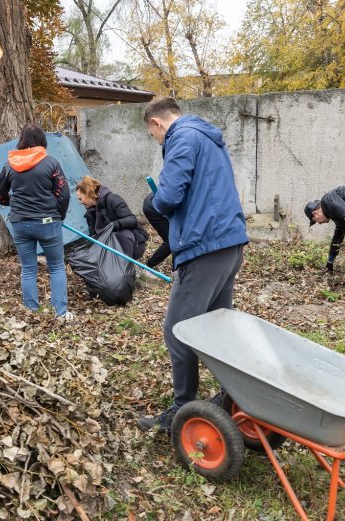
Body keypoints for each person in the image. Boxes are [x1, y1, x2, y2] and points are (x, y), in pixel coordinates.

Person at [136, 97, 249, 434]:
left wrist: (151, 203)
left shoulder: (181, 137)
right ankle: (235, 397)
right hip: (227, 243)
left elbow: (169, 196)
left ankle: (181, 408)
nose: (157, 141)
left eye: (153, 135)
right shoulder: (207, 137)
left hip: (203, 246)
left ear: (157, 123)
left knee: (177, 331)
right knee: (215, 330)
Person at [0, 124, 72, 318]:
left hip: (20, 223)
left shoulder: (9, 164)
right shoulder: (51, 162)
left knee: (28, 268)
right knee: (56, 266)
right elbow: (63, 193)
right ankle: (59, 313)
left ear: (21, 140)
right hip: (48, 222)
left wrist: (12, 203)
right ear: (42, 141)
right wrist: (58, 215)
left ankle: (31, 311)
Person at [75, 175, 148, 260]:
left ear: (88, 193)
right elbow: (93, 237)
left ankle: (126, 267)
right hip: (110, 248)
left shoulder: (113, 199)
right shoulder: (90, 214)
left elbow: (132, 220)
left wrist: (114, 225)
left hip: (134, 245)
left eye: (80, 199)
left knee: (121, 234)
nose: (80, 202)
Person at [142, 192, 172, 269]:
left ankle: (177, 268)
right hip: (153, 207)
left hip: (164, 203)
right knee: (171, 240)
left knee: (177, 238)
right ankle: (148, 266)